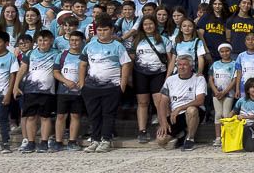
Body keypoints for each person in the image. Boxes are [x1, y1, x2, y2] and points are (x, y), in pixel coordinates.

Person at [79, 19, 132, 153]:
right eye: (100, 30)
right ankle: (95, 139)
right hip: (91, 86)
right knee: (94, 114)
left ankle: (106, 140)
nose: (102, 33)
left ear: (112, 30)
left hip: (112, 86)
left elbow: (125, 65)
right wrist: (81, 83)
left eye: (105, 30)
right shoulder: (90, 45)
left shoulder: (118, 46)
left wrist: (123, 84)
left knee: (108, 114)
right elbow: (83, 64)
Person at [14, 28, 61, 153]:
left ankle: (44, 142)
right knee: (30, 117)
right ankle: (31, 142)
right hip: (30, 90)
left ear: (51, 41)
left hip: (47, 91)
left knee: (45, 117)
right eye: (40, 40)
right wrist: (16, 86)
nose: (43, 43)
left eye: (45, 40)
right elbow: (22, 70)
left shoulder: (57, 54)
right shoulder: (30, 53)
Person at [129, 15, 172, 144]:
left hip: (159, 73)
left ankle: (163, 127)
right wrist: (130, 76)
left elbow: (170, 59)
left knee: (159, 102)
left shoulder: (164, 40)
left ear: (155, 25)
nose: (148, 26)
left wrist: (168, 76)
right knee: (142, 103)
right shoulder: (136, 40)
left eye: (151, 24)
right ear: (142, 26)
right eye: (145, 24)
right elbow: (131, 59)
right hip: (140, 74)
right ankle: (142, 130)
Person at [156, 55, 206, 151]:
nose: (181, 67)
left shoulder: (199, 78)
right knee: (161, 140)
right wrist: (163, 122)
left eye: (184, 65)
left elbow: (200, 100)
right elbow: (162, 102)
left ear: (191, 67)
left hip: (193, 111)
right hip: (175, 115)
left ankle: (190, 138)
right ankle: (181, 136)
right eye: (179, 65)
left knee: (191, 110)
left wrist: (180, 108)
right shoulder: (170, 80)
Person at [53, 30, 86, 151]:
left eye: (77, 40)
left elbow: (89, 71)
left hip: (78, 91)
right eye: (72, 40)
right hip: (63, 91)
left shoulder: (85, 55)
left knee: (75, 115)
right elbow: (56, 72)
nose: (74, 42)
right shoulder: (62, 55)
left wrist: (82, 81)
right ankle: (58, 141)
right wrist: (66, 81)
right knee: (61, 115)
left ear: (82, 41)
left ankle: (72, 141)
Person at [209, 43, 238, 148]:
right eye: (222, 51)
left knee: (226, 114)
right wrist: (215, 91)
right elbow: (211, 79)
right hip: (216, 94)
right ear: (219, 52)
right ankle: (218, 137)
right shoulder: (215, 64)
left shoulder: (235, 64)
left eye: (227, 51)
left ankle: (226, 136)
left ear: (230, 51)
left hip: (228, 94)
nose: (225, 53)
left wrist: (225, 91)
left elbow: (234, 80)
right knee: (218, 114)